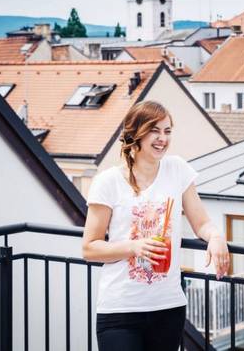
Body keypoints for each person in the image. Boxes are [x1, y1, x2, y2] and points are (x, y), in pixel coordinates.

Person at [82, 100, 230, 351]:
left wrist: (216, 237)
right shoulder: (108, 182)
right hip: (120, 309)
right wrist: (134, 247)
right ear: (136, 133)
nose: (163, 138)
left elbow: (202, 222)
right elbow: (89, 248)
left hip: (167, 307)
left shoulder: (178, 170)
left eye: (167, 131)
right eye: (155, 130)